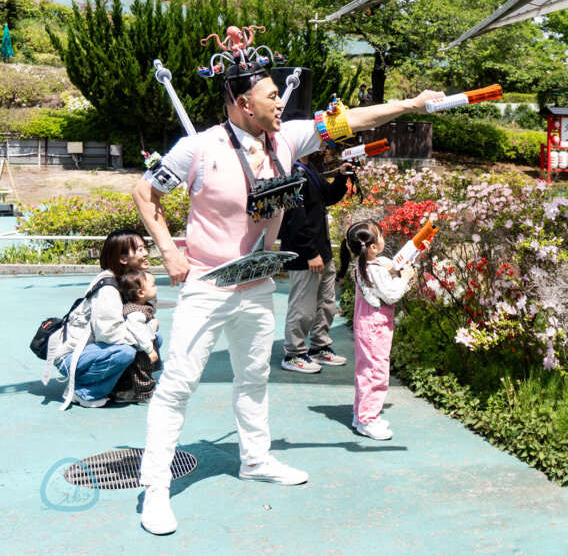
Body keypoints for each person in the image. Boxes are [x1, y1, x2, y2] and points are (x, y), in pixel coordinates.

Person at [131, 56, 442, 535]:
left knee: (254, 378)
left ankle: (255, 460)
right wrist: (169, 253)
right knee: (177, 387)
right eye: (272, 95)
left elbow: (353, 119)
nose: (281, 101)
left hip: (257, 284)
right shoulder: (197, 148)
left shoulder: (287, 140)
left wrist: (412, 102)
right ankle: (154, 488)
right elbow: (143, 193)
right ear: (242, 102)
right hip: (207, 286)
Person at [42, 229, 157, 410]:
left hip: (94, 350)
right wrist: (147, 338)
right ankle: (83, 391)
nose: (146, 253)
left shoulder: (131, 282)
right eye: (140, 249)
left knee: (152, 338)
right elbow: (109, 334)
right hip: (71, 356)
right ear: (123, 259)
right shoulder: (108, 289)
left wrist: (149, 332)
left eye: (144, 248)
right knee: (125, 351)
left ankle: (120, 389)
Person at [340, 220, 427, 441]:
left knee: (366, 370)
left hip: (368, 326)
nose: (383, 238)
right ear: (372, 247)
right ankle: (368, 419)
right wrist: (406, 279)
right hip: (375, 329)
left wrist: (413, 255)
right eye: (380, 235)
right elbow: (391, 294)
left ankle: (361, 414)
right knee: (376, 371)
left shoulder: (367, 265)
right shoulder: (373, 269)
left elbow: (391, 267)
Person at [279, 154, 352, 373]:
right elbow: (293, 217)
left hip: (322, 249)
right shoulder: (290, 171)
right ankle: (293, 353)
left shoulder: (309, 166)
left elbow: (326, 197)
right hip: (305, 253)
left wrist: (341, 177)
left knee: (326, 303)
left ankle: (319, 347)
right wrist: (310, 252)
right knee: (302, 306)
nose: (321, 141)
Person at [109, 269, 162, 404]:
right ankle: (145, 395)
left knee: (139, 373)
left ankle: (128, 393)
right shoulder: (135, 313)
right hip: (140, 350)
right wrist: (149, 349)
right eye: (153, 285)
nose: (156, 287)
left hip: (141, 347)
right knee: (142, 372)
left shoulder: (141, 306)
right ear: (140, 293)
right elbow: (138, 331)